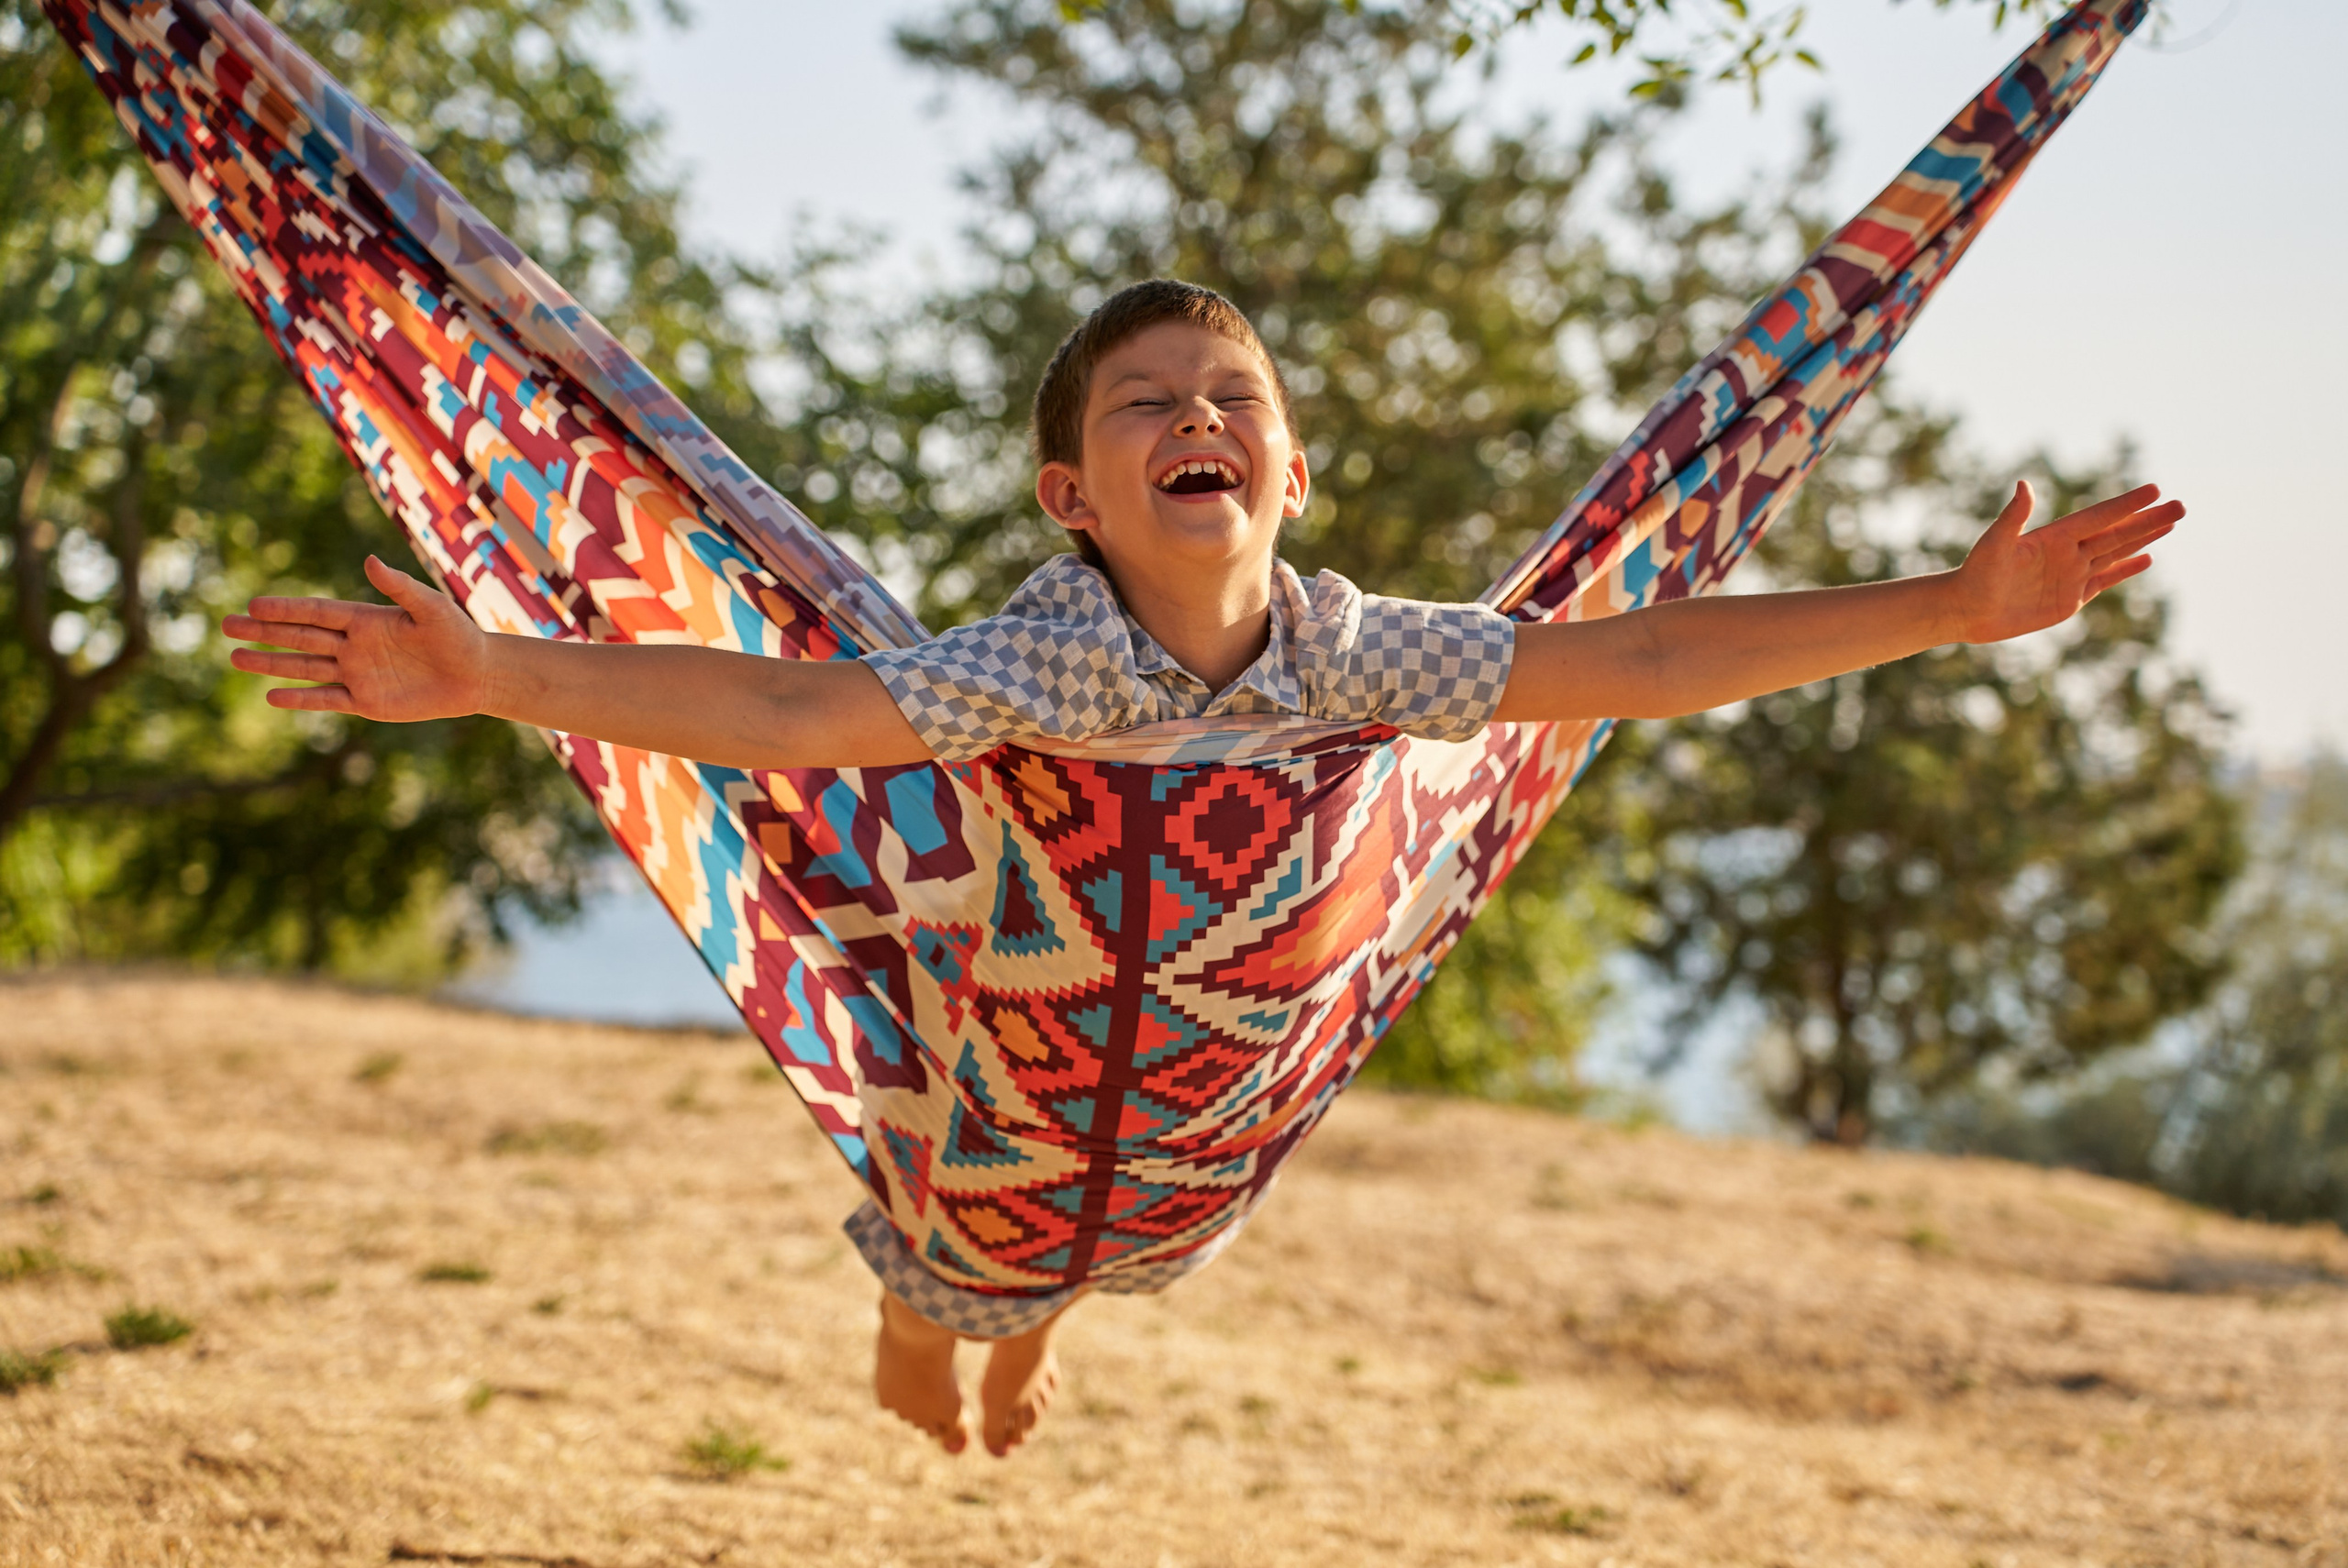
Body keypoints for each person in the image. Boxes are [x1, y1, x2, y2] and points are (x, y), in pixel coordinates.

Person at [224, 279, 2182, 1458]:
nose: (1196, 419)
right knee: (962, 1285)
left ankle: (1040, 1321)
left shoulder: (1355, 648)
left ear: (1291, 476)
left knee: (1125, 1246)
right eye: (1146, 406)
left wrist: (1945, 606)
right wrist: (493, 675)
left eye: (1231, 398)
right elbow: (792, 718)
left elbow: (1643, 657)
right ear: (1076, 498)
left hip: (1205, 1114)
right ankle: (944, 1342)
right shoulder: (1048, 654)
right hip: (1015, 1083)